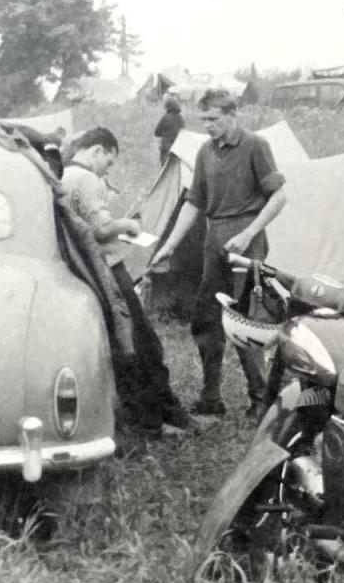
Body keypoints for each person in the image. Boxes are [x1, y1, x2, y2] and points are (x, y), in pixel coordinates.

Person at [149, 88, 287, 424]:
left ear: (232, 114)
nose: (208, 125)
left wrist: (248, 233)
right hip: (214, 240)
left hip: (246, 243)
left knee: (246, 320)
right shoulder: (205, 152)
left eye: (213, 118)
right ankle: (211, 397)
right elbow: (194, 202)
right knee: (207, 316)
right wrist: (168, 244)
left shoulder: (255, 145)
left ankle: (260, 401)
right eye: (204, 119)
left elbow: (280, 196)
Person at [60, 127, 191, 440]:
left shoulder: (64, 177)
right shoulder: (87, 179)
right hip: (108, 270)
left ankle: (143, 419)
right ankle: (156, 420)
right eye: (110, 160)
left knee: (124, 346)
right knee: (143, 344)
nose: (109, 168)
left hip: (88, 271)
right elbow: (103, 229)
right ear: (97, 151)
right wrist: (130, 226)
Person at [153, 90, 185, 164]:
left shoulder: (165, 117)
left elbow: (156, 132)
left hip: (166, 148)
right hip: (177, 148)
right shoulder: (181, 118)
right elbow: (183, 132)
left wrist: (164, 133)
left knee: (164, 168)